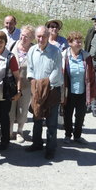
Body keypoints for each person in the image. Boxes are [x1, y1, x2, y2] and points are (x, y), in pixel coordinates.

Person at [26, 25, 63, 160]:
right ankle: (37, 143)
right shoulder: (32, 50)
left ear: (48, 36)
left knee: (51, 122)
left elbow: (56, 71)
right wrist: (34, 82)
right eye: (39, 36)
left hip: (52, 90)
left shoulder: (56, 52)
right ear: (35, 37)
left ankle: (50, 148)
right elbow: (30, 68)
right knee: (37, 117)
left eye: (44, 36)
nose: (41, 39)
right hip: (37, 89)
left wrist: (44, 84)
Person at [61, 31, 96, 145]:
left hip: (82, 91)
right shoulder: (64, 55)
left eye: (81, 40)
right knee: (67, 114)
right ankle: (67, 135)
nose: (80, 43)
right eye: (77, 40)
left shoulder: (86, 57)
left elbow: (91, 75)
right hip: (68, 91)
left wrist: (91, 93)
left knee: (80, 115)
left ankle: (77, 136)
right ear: (70, 42)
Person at [9, 25, 35, 143]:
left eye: (27, 37)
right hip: (11, 83)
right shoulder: (13, 45)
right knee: (10, 109)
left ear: (32, 39)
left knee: (22, 110)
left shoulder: (34, 50)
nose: (24, 38)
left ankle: (20, 131)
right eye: (22, 35)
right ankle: (9, 131)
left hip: (26, 85)